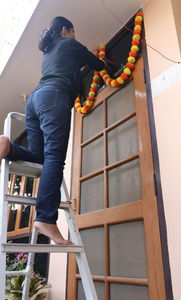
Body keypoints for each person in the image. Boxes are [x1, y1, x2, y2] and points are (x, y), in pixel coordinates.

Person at [0, 16, 105, 245]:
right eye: (73, 32)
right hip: (55, 97)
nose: (75, 36)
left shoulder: (48, 52)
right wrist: (99, 63)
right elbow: (98, 64)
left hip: (35, 100)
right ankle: (46, 218)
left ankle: (8, 147)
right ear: (67, 30)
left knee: (40, 156)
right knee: (55, 158)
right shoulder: (69, 44)